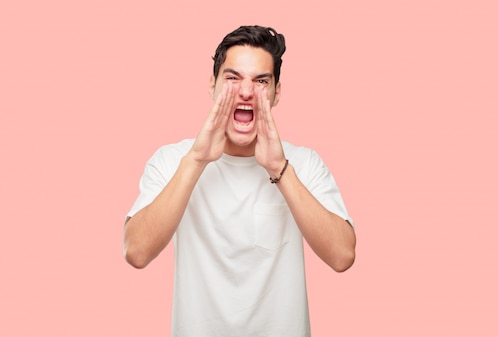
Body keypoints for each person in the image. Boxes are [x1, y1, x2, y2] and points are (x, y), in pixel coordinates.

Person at [123, 25, 356, 336]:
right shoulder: (171, 160)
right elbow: (136, 251)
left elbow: (343, 256)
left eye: (261, 81)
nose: (246, 92)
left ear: (277, 93)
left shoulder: (304, 163)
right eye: (233, 79)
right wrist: (196, 160)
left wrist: (279, 169)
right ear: (212, 85)